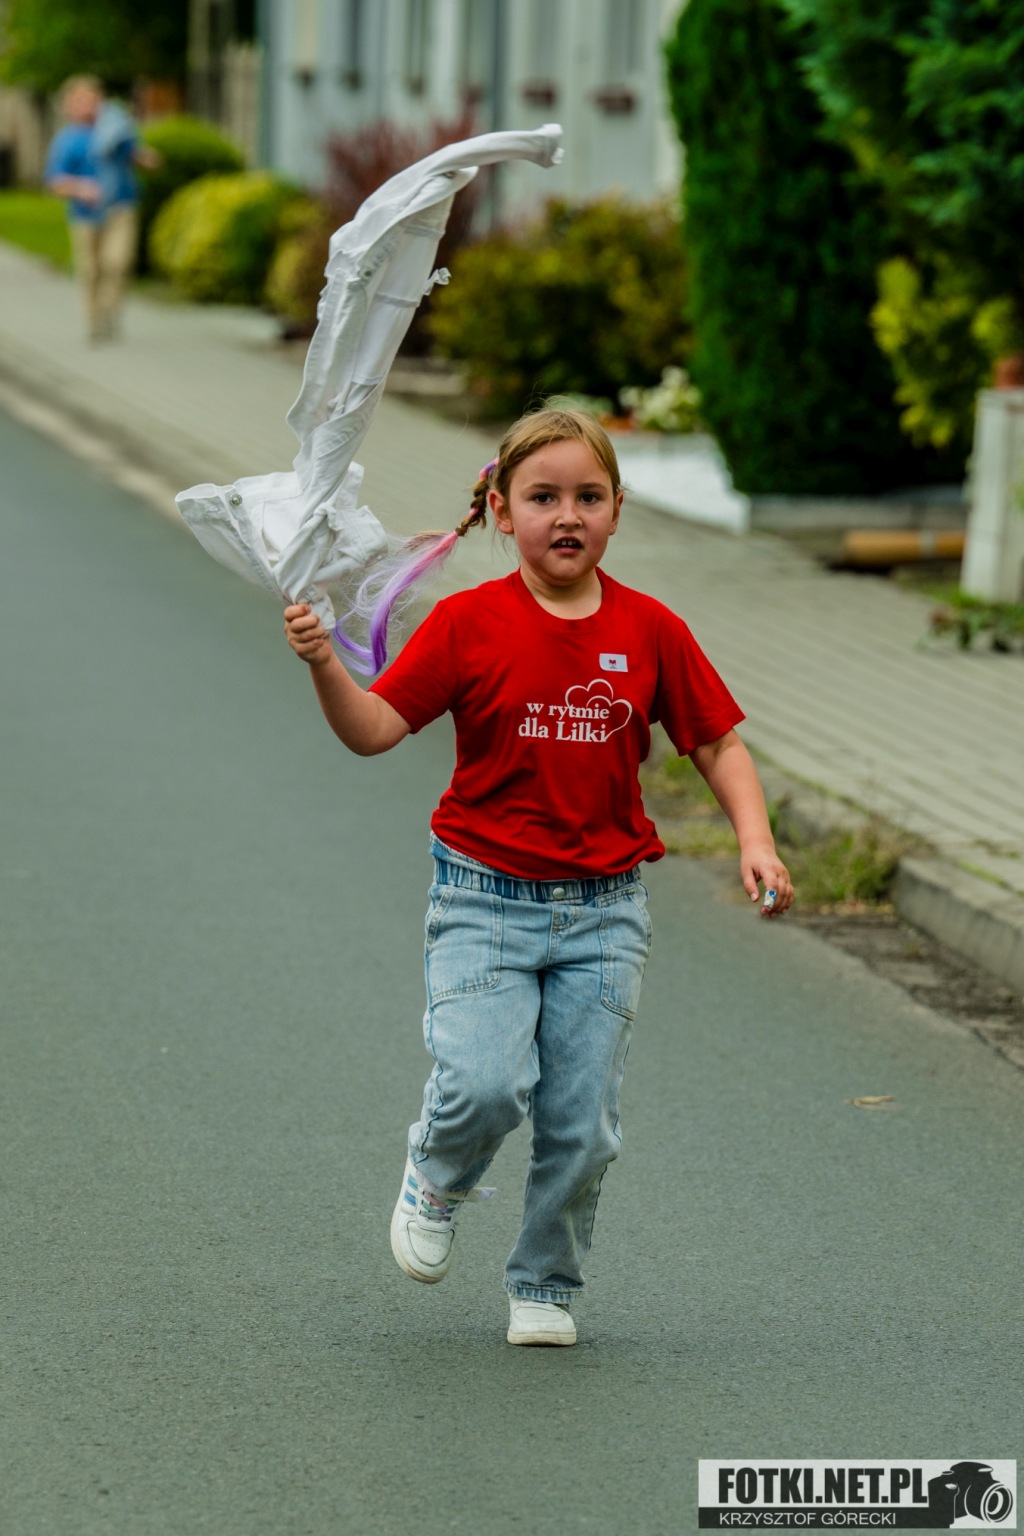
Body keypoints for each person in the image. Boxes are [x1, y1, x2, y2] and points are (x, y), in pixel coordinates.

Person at [283, 405, 793, 1348]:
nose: (568, 515)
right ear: (502, 510)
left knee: (581, 1123)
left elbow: (717, 743)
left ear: (617, 510)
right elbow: (374, 732)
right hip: (483, 899)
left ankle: (547, 1282)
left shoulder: (651, 630)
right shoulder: (467, 624)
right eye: (543, 496)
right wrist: (324, 665)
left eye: (588, 497)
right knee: (483, 1085)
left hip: (604, 915)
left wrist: (754, 838)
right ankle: (437, 1175)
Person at [44, 75, 157, 342]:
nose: (87, 105)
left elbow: (133, 153)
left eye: (92, 99)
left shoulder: (114, 129)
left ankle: (110, 313)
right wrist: (82, 188)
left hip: (120, 206)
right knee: (90, 270)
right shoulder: (67, 140)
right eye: (80, 100)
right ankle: (94, 321)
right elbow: (55, 182)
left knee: (117, 262)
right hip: (85, 214)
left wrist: (148, 159)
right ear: (69, 106)